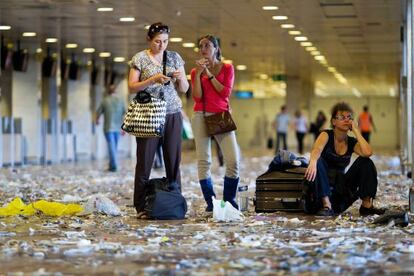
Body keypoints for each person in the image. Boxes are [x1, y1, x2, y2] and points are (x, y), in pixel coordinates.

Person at [127, 22, 189, 218]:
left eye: (165, 41)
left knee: (173, 160)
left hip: (172, 113)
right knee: (144, 161)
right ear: (149, 39)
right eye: (157, 41)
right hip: (149, 114)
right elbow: (132, 86)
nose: (162, 45)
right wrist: (152, 79)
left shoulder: (174, 57)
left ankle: (174, 201)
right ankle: (141, 206)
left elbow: (184, 89)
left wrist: (180, 78)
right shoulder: (140, 58)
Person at [304, 102, 385, 217]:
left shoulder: (351, 142)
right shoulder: (326, 135)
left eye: (349, 117)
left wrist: (356, 131)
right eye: (342, 117)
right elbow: (317, 149)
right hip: (321, 192)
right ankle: (326, 205)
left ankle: (366, 206)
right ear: (333, 122)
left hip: (340, 192)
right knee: (318, 160)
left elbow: (368, 153)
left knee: (365, 161)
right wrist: (312, 161)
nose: (346, 120)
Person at [190, 34, 240, 212]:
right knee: (204, 161)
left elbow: (224, 93)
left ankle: (229, 201)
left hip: (220, 116)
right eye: (201, 46)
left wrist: (209, 74)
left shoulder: (227, 67)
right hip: (200, 116)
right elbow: (197, 96)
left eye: (207, 45)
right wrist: (197, 76)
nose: (203, 49)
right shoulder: (196, 71)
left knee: (233, 160)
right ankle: (211, 203)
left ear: (216, 48)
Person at [95, 84, 126, 172]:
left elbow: (98, 112)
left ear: (108, 92)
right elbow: (125, 114)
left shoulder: (104, 101)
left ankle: (113, 166)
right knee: (114, 147)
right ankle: (112, 164)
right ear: (116, 91)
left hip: (108, 128)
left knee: (111, 146)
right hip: (118, 128)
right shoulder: (121, 101)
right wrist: (124, 127)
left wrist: (97, 120)